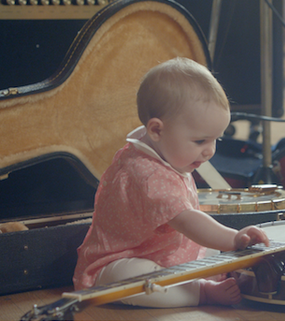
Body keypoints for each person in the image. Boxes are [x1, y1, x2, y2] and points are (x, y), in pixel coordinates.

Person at [73, 57, 270, 307]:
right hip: (121, 260)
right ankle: (201, 292)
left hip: (166, 250)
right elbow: (187, 220)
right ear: (156, 130)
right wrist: (234, 239)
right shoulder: (146, 174)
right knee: (133, 279)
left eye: (216, 140)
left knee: (210, 246)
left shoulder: (163, 149)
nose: (210, 151)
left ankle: (198, 276)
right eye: (200, 141)